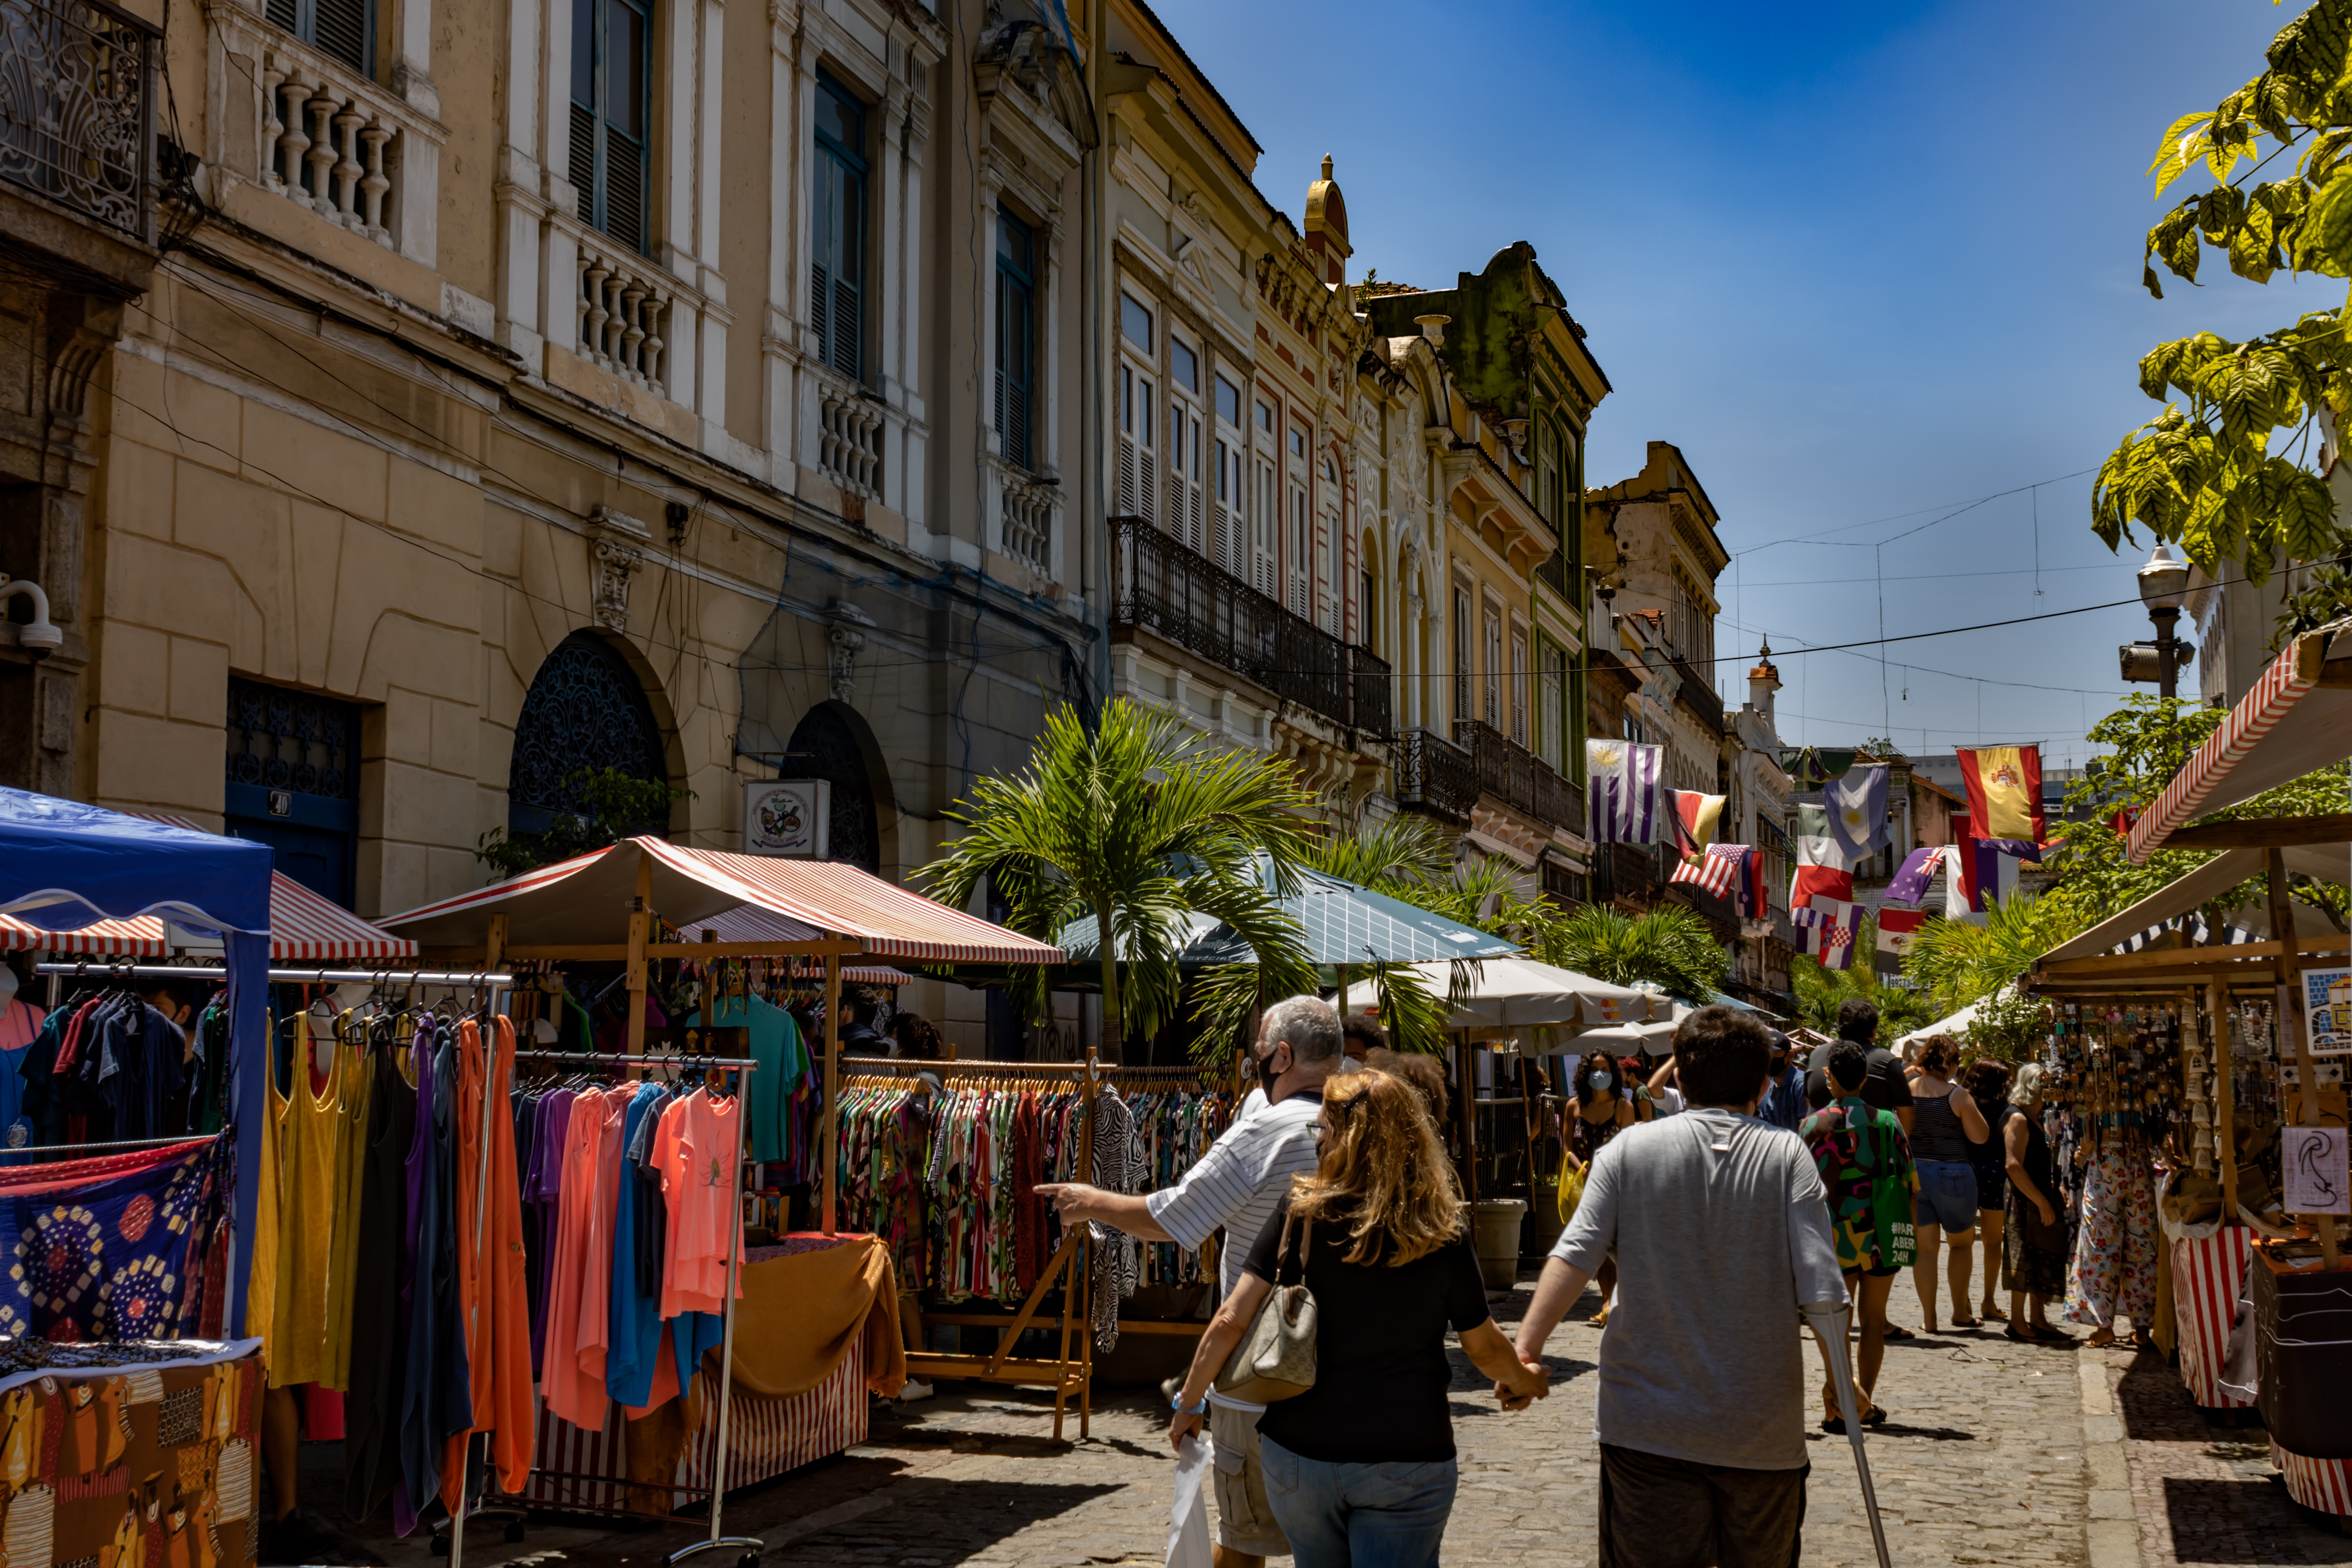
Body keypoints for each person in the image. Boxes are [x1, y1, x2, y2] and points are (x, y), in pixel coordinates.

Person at [1167, 1070, 1547, 1568]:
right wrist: (1524, 1380)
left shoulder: (1299, 1212)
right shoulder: (1439, 1228)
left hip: (1300, 1455)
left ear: (1344, 1138)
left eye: (1322, 1129)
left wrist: (1189, 1403)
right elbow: (1483, 1347)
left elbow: (1229, 1321)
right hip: (1405, 1455)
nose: (1318, 1140)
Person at [1515, 1007, 1848, 1568]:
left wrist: (1525, 1351)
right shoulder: (1787, 1154)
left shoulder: (1626, 1151)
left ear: (1680, 1077)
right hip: (1759, 1426)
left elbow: (1575, 1253)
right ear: (1765, 1085)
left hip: (1646, 1426)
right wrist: (1843, 1382)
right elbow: (1822, 1289)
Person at [1039, 995, 1339, 1568]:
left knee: (1244, 1542)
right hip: (1357, 1373)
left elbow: (1174, 1217)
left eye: (1258, 1054)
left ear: (1281, 1055)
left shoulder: (1265, 1131)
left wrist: (1086, 1200)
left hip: (1263, 1374)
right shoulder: (1376, 1126)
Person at [1798, 1037, 1917, 1432]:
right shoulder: (1887, 1121)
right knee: (1873, 1319)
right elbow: (1908, 1178)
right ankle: (1860, 1397)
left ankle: (1845, 1402)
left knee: (1837, 1322)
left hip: (1835, 1234)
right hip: (1882, 1230)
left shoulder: (1812, 1125)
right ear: (1865, 1079)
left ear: (1828, 1076)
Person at [1905, 1034, 1991, 1331]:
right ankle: (1959, 1312)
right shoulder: (1956, 1095)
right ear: (1951, 1063)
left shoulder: (1907, 1091)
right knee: (1960, 1245)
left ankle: (1929, 1318)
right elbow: (1980, 1136)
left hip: (1916, 1174)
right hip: (1952, 1175)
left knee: (1925, 1250)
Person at [884, 1012, 948, 1400]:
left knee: (907, 1286)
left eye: (892, 1040)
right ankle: (916, 1369)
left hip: (912, 1198)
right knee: (909, 1286)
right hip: (919, 1195)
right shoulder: (926, 1083)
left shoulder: (920, 1087)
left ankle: (922, 1375)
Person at [1560, 1048, 1639, 1329]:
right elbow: (1567, 1145)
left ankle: (1612, 1303)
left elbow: (1628, 1148)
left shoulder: (1623, 1107)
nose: (1600, 1074)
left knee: (1614, 1246)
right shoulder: (1574, 1106)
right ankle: (1607, 1300)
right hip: (1584, 1186)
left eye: (1606, 1069)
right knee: (1598, 1248)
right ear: (1585, 1073)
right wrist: (1579, 1166)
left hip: (1615, 1186)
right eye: (1595, 1069)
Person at [2000, 1063, 2073, 1345]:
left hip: (2035, 1194)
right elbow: (2013, 1165)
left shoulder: (2032, 1116)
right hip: (2025, 1198)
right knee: (2024, 1259)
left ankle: (2038, 1319)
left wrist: (2058, 1188)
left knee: (2039, 1256)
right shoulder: (2018, 1118)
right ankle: (2017, 1322)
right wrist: (2042, 1201)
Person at [1962, 1057, 2015, 1324]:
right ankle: (1989, 1300)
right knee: (1994, 1242)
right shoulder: (2005, 1109)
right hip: (1995, 1174)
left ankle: (1963, 1298)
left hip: (1966, 1173)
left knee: (1964, 1242)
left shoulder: (1962, 1102)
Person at [1754, 1029, 1807, 1134]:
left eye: (1776, 1054)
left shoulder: (1800, 1084)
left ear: (1790, 1056)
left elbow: (1805, 1127)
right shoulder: (1767, 1086)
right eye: (1767, 1054)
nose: (1771, 1059)